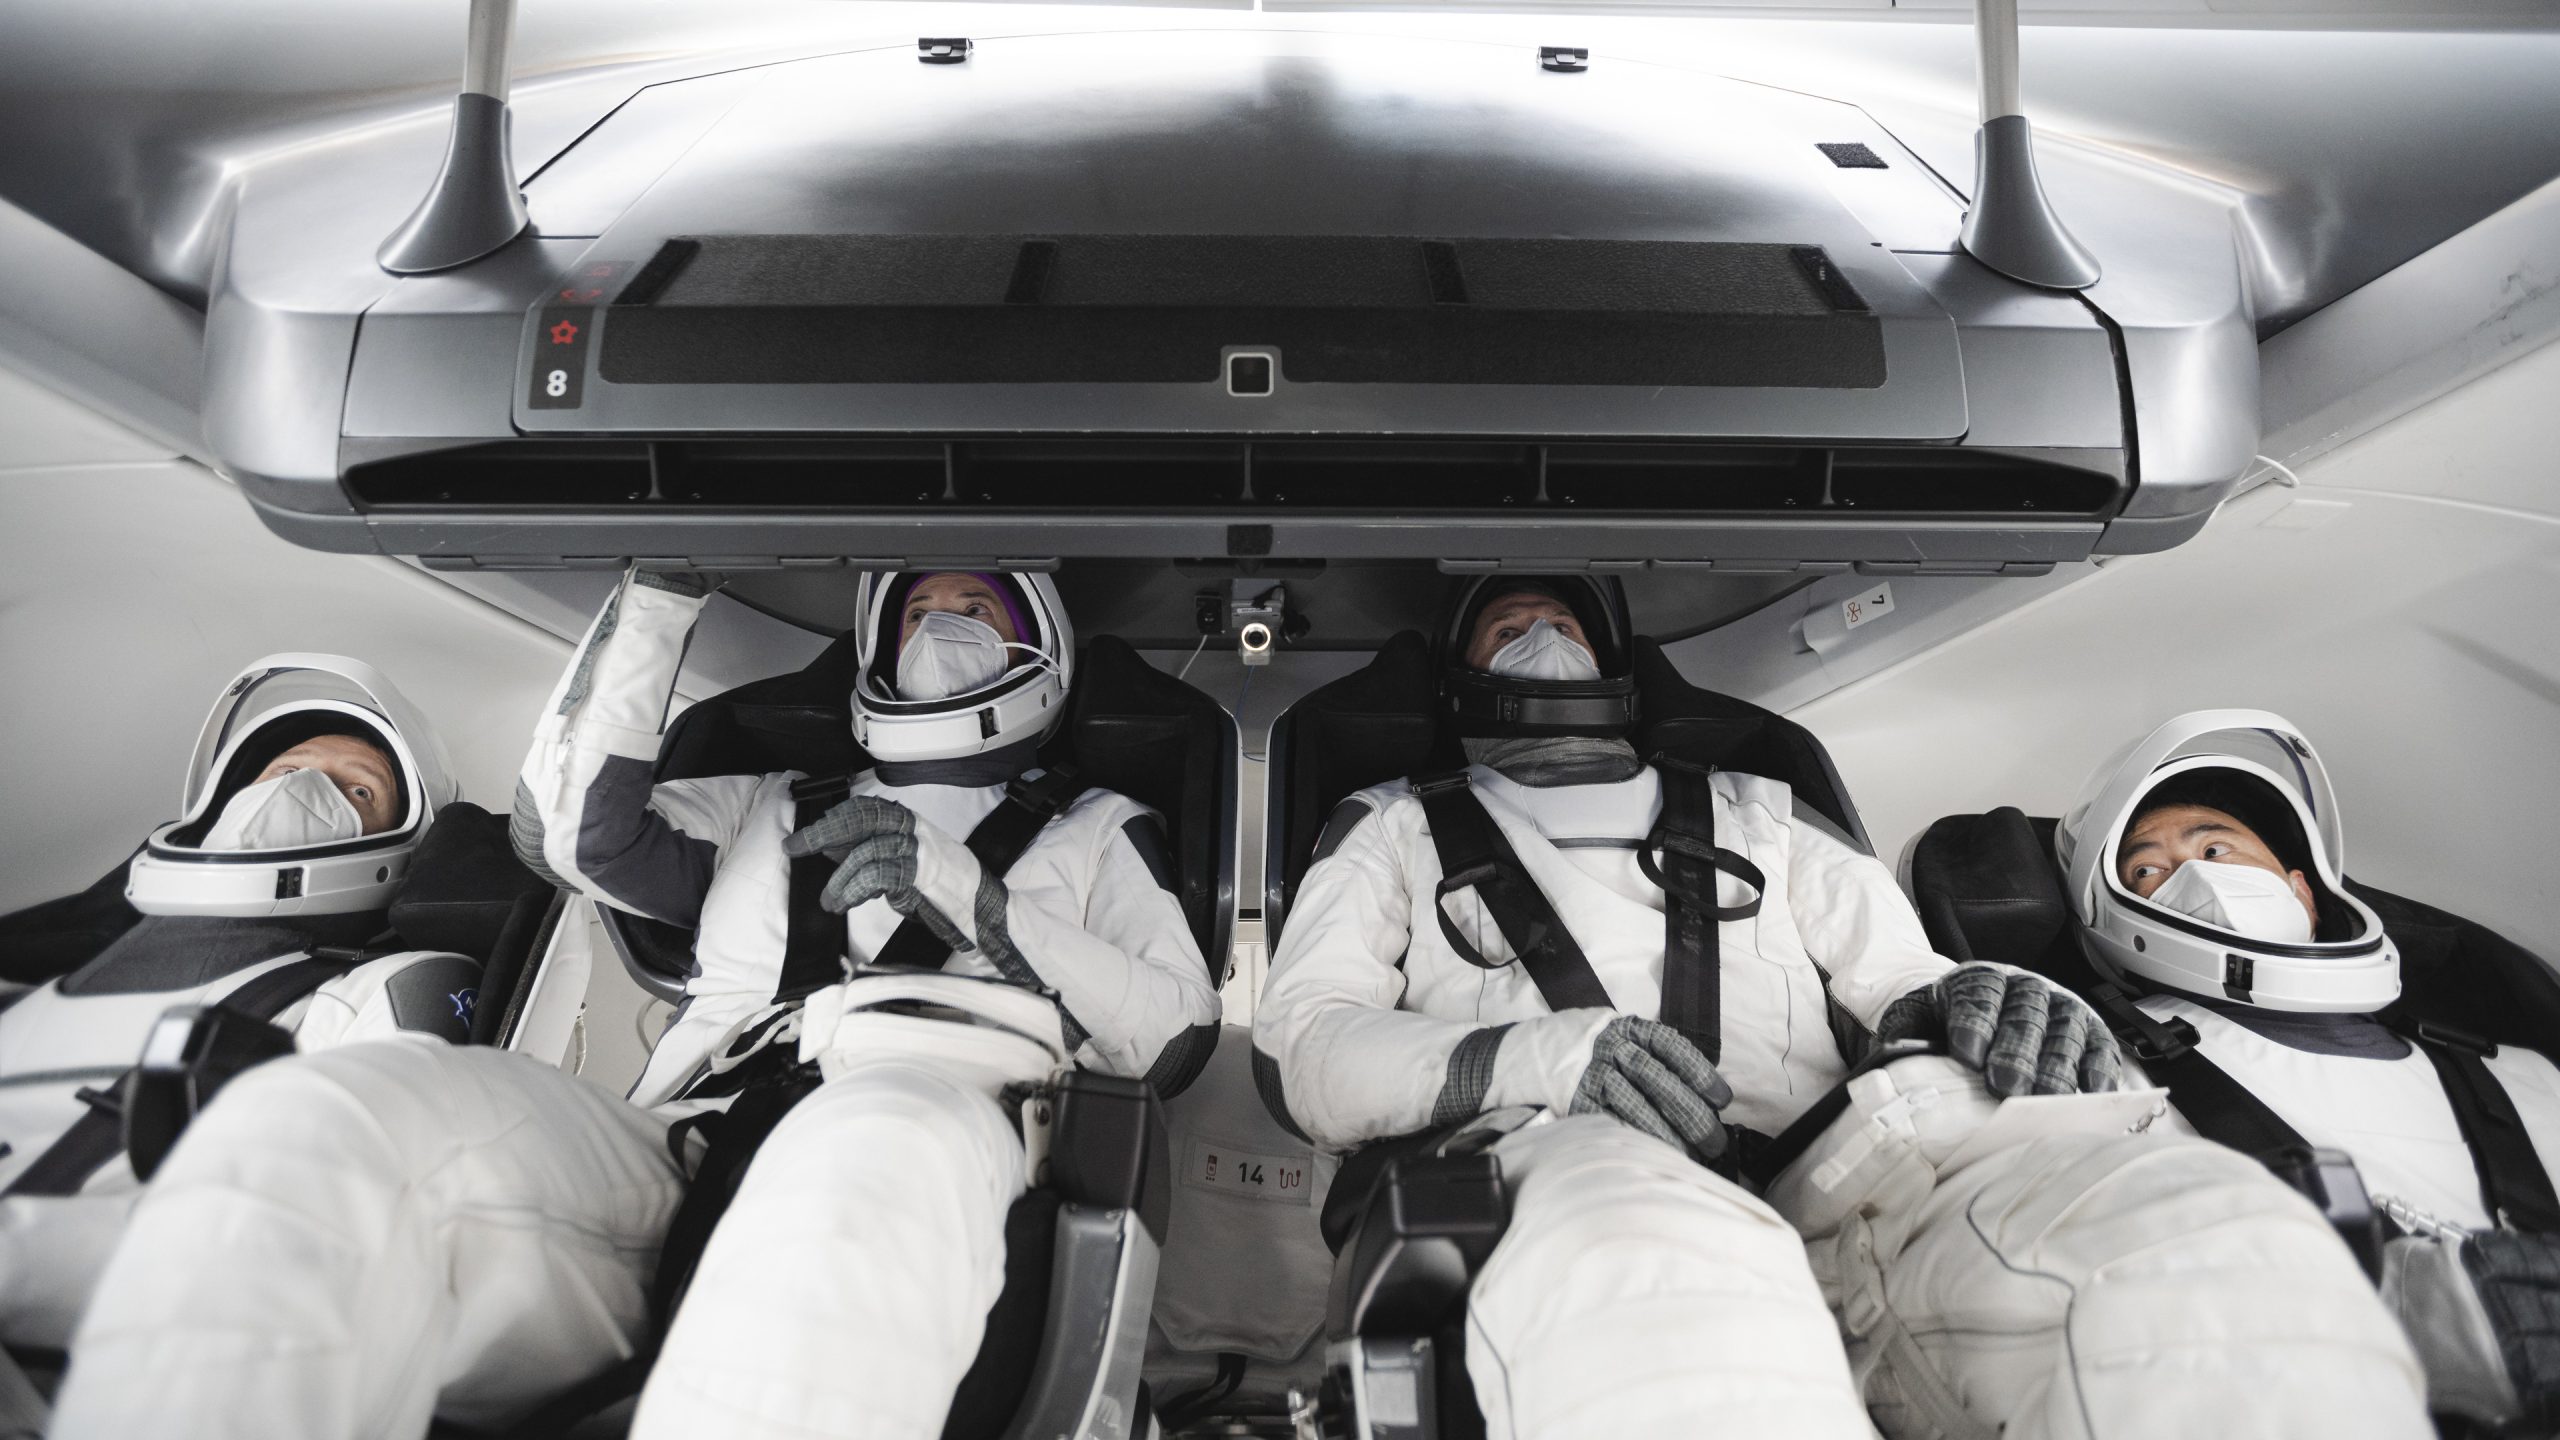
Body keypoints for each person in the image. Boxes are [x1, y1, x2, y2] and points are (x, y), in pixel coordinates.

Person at [48, 567, 1219, 1440]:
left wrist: (967, 892)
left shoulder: (1098, 832)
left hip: (942, 1119)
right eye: (921, 608)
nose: (945, 622)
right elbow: (572, 832)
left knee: (857, 1162)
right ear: (875, 642)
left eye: (981, 608)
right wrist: (661, 590)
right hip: (689, 1137)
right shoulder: (762, 801)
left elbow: (1171, 1029)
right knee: (334, 1119)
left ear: (1042, 649)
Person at [1253, 579, 2429, 1440]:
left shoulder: (1762, 807)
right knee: (1657, 1289)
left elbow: (1902, 981)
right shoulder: (1394, 824)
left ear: (1613, 660)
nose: (1545, 641)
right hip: (1570, 1154)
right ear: (1465, 676)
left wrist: (1982, 994)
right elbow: (1308, 1049)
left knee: (2199, 1234)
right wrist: (1543, 1057)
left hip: (1863, 1170)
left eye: (1564, 623)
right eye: (1510, 628)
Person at [2057, 709, 2560, 1432]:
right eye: (2148, 869)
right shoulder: (2117, 1079)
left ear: (2301, 888)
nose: (2195, 874)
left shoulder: (2527, 1079)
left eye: (2218, 846)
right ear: (2117, 917)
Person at [0, 655, 480, 1355]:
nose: (304, 789)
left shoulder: (374, 996)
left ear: (397, 844)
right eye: (285, 771)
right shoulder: (25, 987)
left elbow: (298, 1233)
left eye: (358, 789)